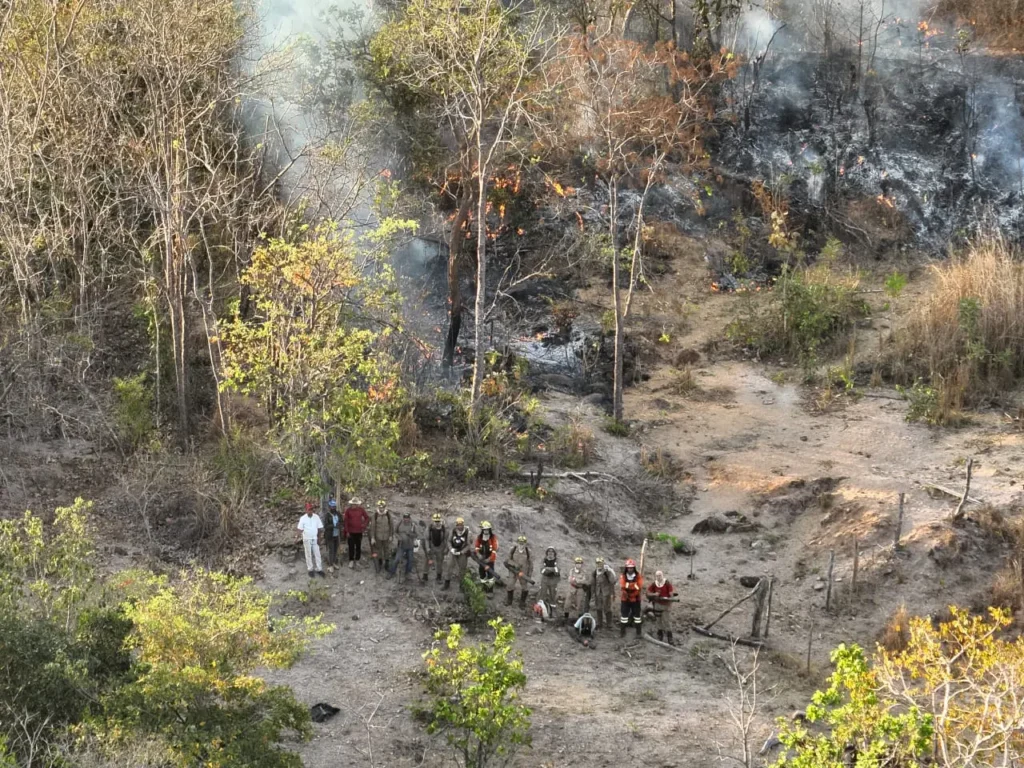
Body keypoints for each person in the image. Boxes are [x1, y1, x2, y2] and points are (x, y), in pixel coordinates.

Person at [646, 569, 677, 643]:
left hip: (666, 605)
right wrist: (654, 594)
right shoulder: (654, 584)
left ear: (662, 575)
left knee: (667, 621)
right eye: (657, 576)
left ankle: (670, 637)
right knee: (658, 620)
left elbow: (671, 593)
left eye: (660, 575)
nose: (658, 577)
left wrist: (670, 600)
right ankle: (660, 634)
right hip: (657, 605)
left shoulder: (667, 583)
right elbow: (648, 593)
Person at [296, 502, 325, 578]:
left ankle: (319, 569)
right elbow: (300, 529)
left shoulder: (316, 517)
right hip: (307, 538)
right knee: (308, 554)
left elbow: (319, 528)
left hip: (315, 538)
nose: (310, 511)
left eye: (311, 509)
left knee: (317, 553)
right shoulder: (303, 518)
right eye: (309, 510)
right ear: (306, 510)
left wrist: (319, 538)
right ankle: (310, 569)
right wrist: (297, 537)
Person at [504, 535, 533, 607]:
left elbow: (531, 564)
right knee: (510, 585)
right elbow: (508, 560)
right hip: (513, 571)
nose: (521, 544)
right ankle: (509, 601)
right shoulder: (513, 549)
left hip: (523, 572)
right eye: (520, 542)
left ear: (525, 543)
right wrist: (514, 564)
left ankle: (522, 603)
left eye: (523, 543)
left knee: (524, 587)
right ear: (517, 542)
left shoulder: (528, 552)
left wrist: (529, 574)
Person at [343, 496, 370, 569]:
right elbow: (345, 522)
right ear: (351, 504)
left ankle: (357, 559)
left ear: (357, 504)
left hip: (359, 531)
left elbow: (367, 518)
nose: (353, 505)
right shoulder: (348, 511)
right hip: (351, 532)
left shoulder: (361, 510)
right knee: (351, 546)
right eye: (352, 504)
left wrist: (364, 525)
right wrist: (347, 531)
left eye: (355, 504)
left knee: (358, 546)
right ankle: (351, 560)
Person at [389, 511, 416, 581]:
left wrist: (410, 534)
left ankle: (407, 573)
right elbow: (395, 532)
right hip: (401, 545)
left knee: (410, 560)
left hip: (410, 546)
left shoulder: (413, 525)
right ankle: (392, 572)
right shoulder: (399, 523)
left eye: (407, 518)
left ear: (409, 518)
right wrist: (399, 537)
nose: (406, 519)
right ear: (403, 518)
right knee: (397, 559)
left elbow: (416, 535)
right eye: (405, 518)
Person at [444, 517, 470, 590]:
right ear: (456, 525)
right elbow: (449, 541)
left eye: (461, 525)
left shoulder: (467, 532)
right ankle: (446, 583)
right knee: (449, 567)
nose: (460, 526)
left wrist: (462, 552)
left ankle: (462, 586)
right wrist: (451, 549)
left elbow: (469, 545)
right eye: (458, 525)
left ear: (463, 525)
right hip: (453, 551)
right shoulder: (453, 531)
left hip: (462, 552)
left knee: (462, 569)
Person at [619, 558, 643, 637]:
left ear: (634, 568)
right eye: (629, 567)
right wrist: (633, 585)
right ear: (626, 568)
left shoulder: (638, 576)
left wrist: (628, 587)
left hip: (636, 599)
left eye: (631, 567)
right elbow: (622, 586)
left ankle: (638, 633)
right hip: (625, 599)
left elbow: (639, 587)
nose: (630, 569)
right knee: (624, 616)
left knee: (637, 617)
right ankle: (622, 632)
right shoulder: (623, 576)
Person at [592, 556, 617, 629]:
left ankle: (609, 624)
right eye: (598, 563)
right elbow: (593, 582)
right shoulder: (595, 572)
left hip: (606, 593)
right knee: (598, 608)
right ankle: (600, 623)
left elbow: (613, 581)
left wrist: (610, 571)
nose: (599, 565)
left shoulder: (607, 572)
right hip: (598, 593)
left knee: (607, 608)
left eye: (600, 563)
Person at [369, 500, 393, 574]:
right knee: (378, 551)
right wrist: (372, 537)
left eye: (383, 507)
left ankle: (387, 564)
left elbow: (391, 526)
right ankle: (379, 563)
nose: (381, 509)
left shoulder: (388, 514)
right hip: (378, 537)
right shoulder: (375, 515)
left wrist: (391, 535)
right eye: (380, 507)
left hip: (386, 536)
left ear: (385, 507)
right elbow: (372, 527)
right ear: (378, 507)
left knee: (387, 550)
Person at [565, 556, 590, 624]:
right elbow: (570, 580)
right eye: (577, 563)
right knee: (567, 603)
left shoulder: (584, 572)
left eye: (580, 563)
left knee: (579, 604)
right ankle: (566, 618)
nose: (578, 565)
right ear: (575, 564)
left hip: (580, 589)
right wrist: (578, 580)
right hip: (572, 588)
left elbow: (584, 581)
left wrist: (576, 580)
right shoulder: (572, 571)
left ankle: (579, 620)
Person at [423, 512, 447, 583]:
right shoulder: (429, 528)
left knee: (439, 562)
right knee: (427, 561)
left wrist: (446, 549)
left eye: (438, 521)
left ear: (440, 521)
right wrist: (427, 548)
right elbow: (426, 539)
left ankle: (439, 576)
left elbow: (446, 539)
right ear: (433, 521)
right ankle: (425, 575)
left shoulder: (443, 528)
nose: (437, 522)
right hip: (432, 546)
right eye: (435, 521)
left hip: (440, 548)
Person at [474, 521, 498, 589]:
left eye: (487, 529)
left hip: (490, 560)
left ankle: (490, 590)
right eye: (484, 529)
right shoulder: (479, 537)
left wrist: (489, 559)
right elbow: (476, 547)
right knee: (482, 573)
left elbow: (494, 549)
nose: (486, 531)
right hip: (481, 559)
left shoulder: (493, 538)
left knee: (490, 574)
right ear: (482, 530)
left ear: (490, 530)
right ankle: (484, 587)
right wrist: (478, 555)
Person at [324, 499, 342, 572]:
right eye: (332, 506)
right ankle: (330, 565)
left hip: (337, 535)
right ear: (329, 507)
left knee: (335, 550)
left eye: (334, 506)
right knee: (331, 550)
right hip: (330, 535)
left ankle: (334, 562)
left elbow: (341, 521)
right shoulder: (327, 515)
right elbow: (326, 526)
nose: (333, 508)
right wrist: (334, 525)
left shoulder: (338, 514)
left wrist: (339, 524)